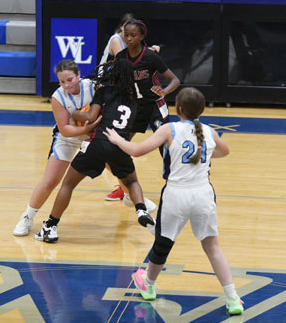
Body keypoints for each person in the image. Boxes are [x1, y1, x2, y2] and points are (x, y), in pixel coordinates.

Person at [104, 87, 244, 316]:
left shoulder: (169, 129)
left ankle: (149, 284)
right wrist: (204, 155)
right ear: (201, 110)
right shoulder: (209, 131)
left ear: (178, 109)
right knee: (212, 247)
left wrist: (118, 139)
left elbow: (136, 151)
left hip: (176, 194)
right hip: (203, 194)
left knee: (163, 243)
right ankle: (233, 298)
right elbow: (225, 151)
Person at [35, 59, 155, 243]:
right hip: (120, 145)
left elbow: (90, 117)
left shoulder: (104, 91)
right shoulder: (134, 100)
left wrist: (75, 113)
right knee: (131, 181)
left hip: (98, 143)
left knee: (68, 184)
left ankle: (50, 226)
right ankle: (141, 209)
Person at [13, 59, 101, 237]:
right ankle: (27, 217)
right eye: (62, 81)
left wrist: (91, 129)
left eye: (70, 80)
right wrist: (86, 128)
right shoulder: (57, 97)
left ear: (79, 75)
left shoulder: (93, 87)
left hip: (92, 136)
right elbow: (65, 130)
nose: (66, 85)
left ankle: (134, 200)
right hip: (68, 138)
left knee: (116, 164)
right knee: (50, 181)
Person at [105, 19, 180, 202]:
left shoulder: (150, 57)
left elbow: (175, 80)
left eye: (133, 35)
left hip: (155, 106)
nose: (129, 38)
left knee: (165, 146)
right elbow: (114, 83)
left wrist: (164, 91)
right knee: (118, 147)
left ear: (141, 36)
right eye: (126, 35)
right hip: (134, 107)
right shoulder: (121, 57)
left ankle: (175, 185)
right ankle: (124, 186)